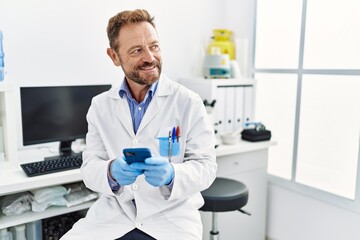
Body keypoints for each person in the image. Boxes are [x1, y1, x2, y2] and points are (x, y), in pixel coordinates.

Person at [61, 9, 217, 240]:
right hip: (114, 215)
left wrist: (172, 174)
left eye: (154, 46)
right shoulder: (100, 106)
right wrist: (111, 171)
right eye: (137, 50)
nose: (150, 58)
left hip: (171, 217)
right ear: (114, 56)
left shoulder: (188, 102)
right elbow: (90, 167)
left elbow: (206, 167)